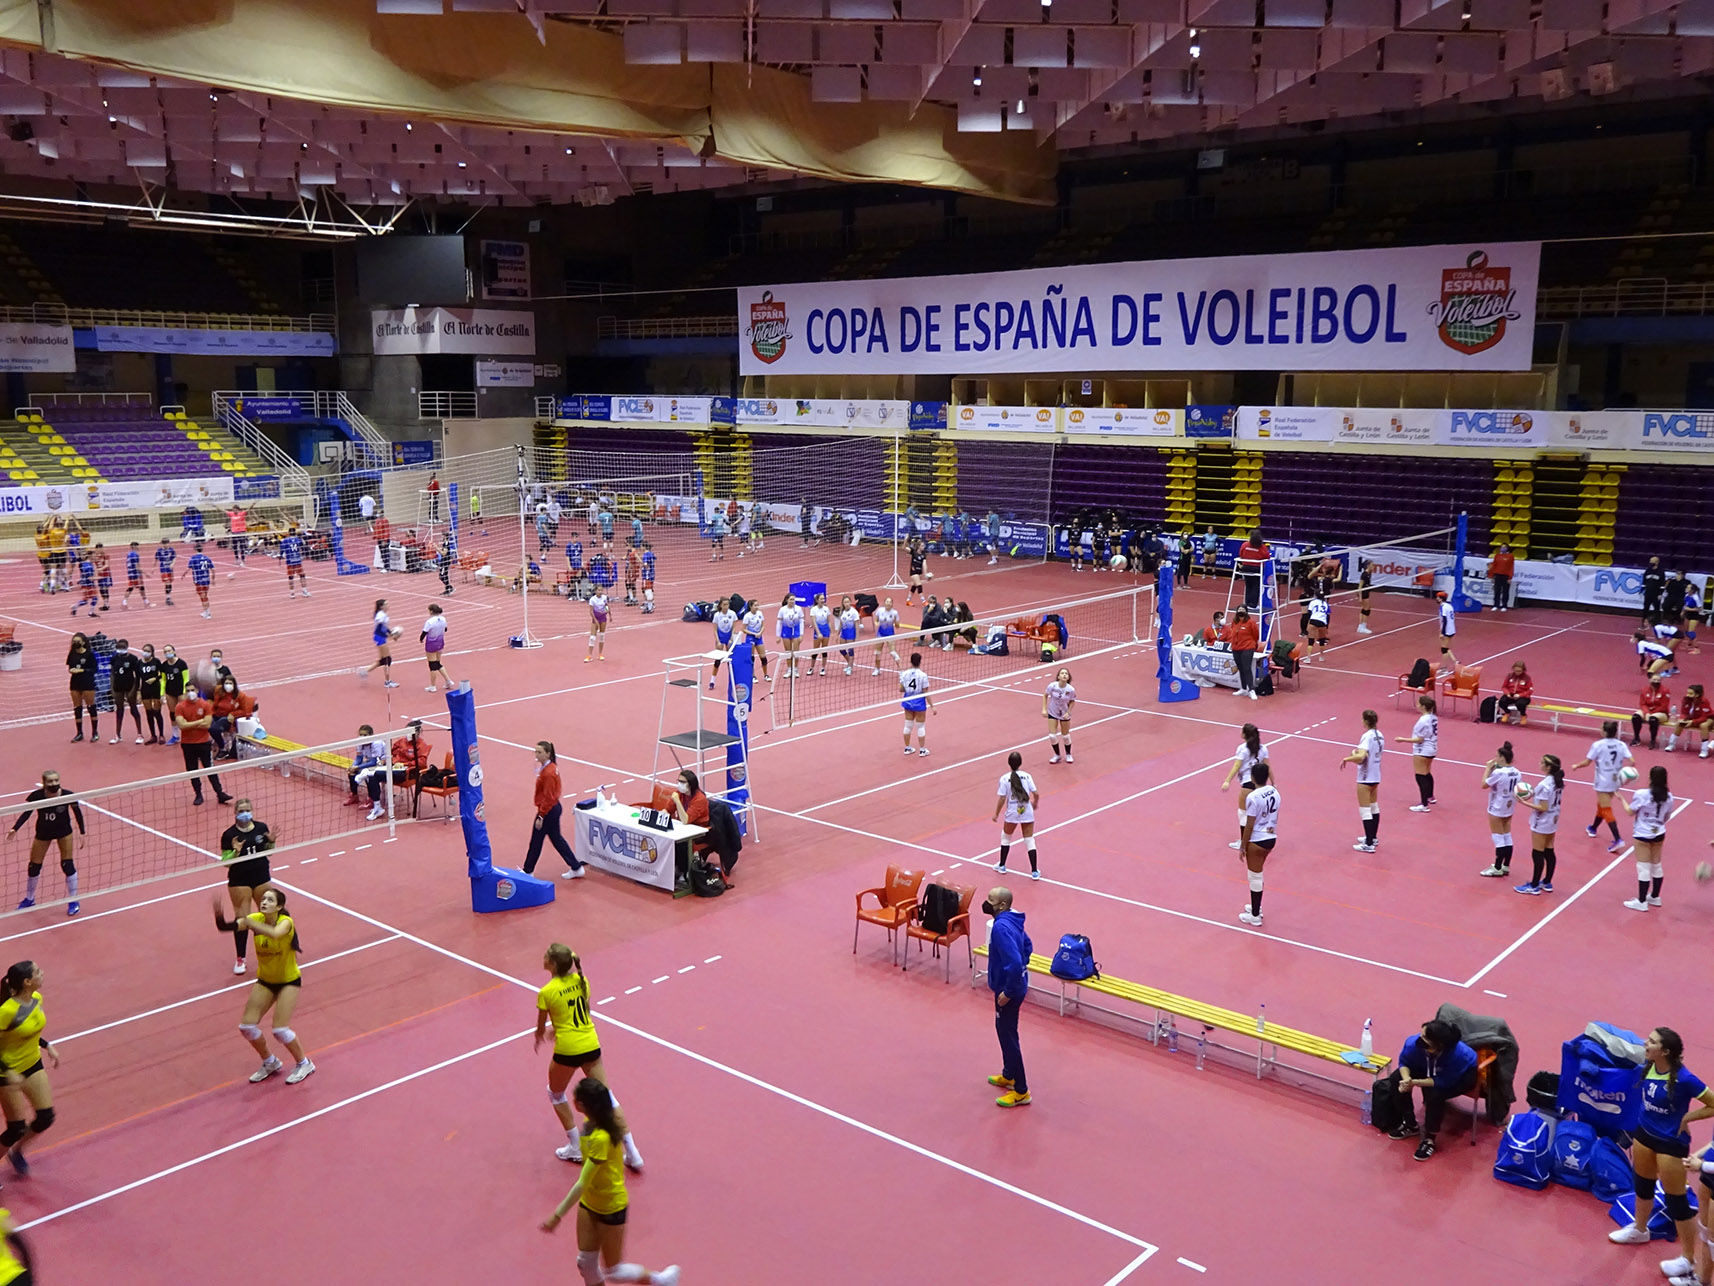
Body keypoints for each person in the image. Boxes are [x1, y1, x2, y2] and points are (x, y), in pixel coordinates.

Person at [539, 1078, 676, 1285]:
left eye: (576, 1098)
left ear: (582, 1105)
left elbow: (582, 1182)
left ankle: (661, 1281)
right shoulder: (590, 1123)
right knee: (586, 1263)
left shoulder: (601, 1138)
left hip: (611, 1205)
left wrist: (557, 1216)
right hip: (590, 1202)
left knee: (614, 1272)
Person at [1607, 1027, 1714, 1279]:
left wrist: (1687, 1117)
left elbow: (1713, 1104)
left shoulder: (1685, 1079)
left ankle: (1688, 1259)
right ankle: (1640, 1229)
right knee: (1642, 1186)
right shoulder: (1649, 1067)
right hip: (1644, 1135)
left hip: (1670, 1143)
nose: (1646, 1043)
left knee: (1676, 1201)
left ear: (1665, 1051)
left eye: (1652, 1041)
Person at [534, 944, 645, 1165]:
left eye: (546, 955)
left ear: (553, 964)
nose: (543, 957)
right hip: (591, 1043)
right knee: (608, 1097)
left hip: (568, 1050)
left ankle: (575, 1146)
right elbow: (583, 1011)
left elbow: (540, 1027)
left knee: (555, 1093)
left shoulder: (546, 992)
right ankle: (633, 1153)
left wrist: (542, 1035)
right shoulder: (582, 981)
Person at [212, 889, 314, 1084]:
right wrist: (219, 918)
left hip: (288, 981)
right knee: (247, 1027)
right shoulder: (255, 918)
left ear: (279, 906)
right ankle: (270, 1062)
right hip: (265, 981)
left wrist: (251, 923)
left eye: (270, 900)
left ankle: (304, 1063)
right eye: (264, 899)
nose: (264, 902)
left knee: (280, 1030)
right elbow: (229, 926)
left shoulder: (285, 922)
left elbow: (275, 934)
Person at [1385, 1018, 1480, 1161]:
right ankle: (1410, 1124)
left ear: (1438, 1045)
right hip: (1427, 1065)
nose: (1419, 1039)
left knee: (1435, 1093)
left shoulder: (1459, 1056)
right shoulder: (1413, 1044)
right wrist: (1406, 1080)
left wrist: (1415, 1082)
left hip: (1461, 1077)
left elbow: (1443, 1081)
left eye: (1425, 1038)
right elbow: (1405, 1062)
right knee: (1395, 1079)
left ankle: (1429, 1138)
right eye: (1421, 1034)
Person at [0, 960, 60, 1178]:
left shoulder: (37, 999)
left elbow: (29, 1029)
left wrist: (46, 1045)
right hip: (7, 1074)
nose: (42, 973)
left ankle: (16, 1152)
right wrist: (8, 1070)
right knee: (15, 1127)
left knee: (45, 1117)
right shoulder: (6, 1011)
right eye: (37, 972)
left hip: (32, 1064)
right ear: (27, 981)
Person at [6, 771, 84, 916]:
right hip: (43, 833)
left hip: (64, 832)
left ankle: (73, 900)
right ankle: (30, 899)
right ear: (44, 783)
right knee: (33, 866)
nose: (54, 784)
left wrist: (82, 832)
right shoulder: (37, 796)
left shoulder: (68, 795)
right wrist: (15, 828)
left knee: (67, 865)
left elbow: (77, 813)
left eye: (56, 780)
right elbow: (27, 812)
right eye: (50, 781)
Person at [984, 887, 1032, 1108]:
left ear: (1002, 905)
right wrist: (1022, 968)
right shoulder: (1013, 921)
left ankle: (1021, 1091)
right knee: (1003, 1030)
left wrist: (1009, 991)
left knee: (1008, 1036)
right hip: (1015, 984)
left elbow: (1014, 962)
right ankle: (1009, 1074)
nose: (987, 903)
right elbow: (1027, 945)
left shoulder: (1000, 928)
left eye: (991, 900)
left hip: (1008, 990)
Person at [220, 797, 276, 976]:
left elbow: (269, 852)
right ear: (235, 813)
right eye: (241, 811)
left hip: (261, 876)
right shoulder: (229, 835)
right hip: (240, 880)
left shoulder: (261, 828)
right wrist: (236, 852)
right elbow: (226, 863)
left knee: (267, 916)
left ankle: (268, 952)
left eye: (247, 810)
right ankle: (241, 959)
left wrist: (271, 842)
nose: (245, 814)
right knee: (243, 919)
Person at [1569, 719, 1633, 855]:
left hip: (1603, 781)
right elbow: (1632, 761)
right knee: (1602, 805)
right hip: (1616, 780)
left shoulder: (1598, 745)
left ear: (1604, 732)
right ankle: (1593, 828)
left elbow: (1587, 762)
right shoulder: (1621, 744)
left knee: (1606, 809)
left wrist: (1576, 766)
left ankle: (1618, 839)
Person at [1622, 765, 1680, 912]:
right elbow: (1667, 816)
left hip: (1642, 833)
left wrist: (1621, 798)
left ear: (1650, 778)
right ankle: (1655, 896)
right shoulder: (1669, 797)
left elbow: (1630, 811)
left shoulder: (1641, 794)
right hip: (1659, 833)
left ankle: (1641, 901)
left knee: (1643, 867)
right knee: (1656, 865)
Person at [523, 742, 585, 881]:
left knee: (536, 841)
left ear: (547, 754)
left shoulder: (548, 772)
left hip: (548, 810)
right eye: (536, 751)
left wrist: (541, 815)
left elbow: (549, 797)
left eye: (539, 752)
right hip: (552, 808)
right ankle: (576, 867)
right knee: (556, 839)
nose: (536, 754)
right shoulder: (550, 768)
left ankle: (528, 871)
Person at [1237, 760, 1281, 927]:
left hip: (1257, 839)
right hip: (1271, 836)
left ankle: (1255, 915)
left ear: (1253, 777)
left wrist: (1243, 845)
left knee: (1254, 876)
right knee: (1258, 874)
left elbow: (1249, 824)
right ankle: (1256, 906)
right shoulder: (1274, 792)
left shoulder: (1253, 797)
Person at [174, 681, 232, 808]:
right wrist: (199, 722)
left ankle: (220, 793)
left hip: (204, 743)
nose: (190, 693)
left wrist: (189, 724)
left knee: (210, 768)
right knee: (192, 770)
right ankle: (198, 794)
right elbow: (181, 725)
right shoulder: (180, 706)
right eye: (187, 691)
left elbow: (207, 724)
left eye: (192, 690)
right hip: (188, 744)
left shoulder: (205, 705)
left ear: (197, 691)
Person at [1514, 754, 1565, 896]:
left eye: (1542, 762)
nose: (1539, 763)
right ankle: (1547, 881)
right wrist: (1529, 793)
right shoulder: (1557, 781)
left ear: (1548, 767)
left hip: (1542, 821)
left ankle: (1534, 885)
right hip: (1553, 819)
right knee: (1549, 850)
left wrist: (1524, 802)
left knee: (1537, 852)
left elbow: (1543, 807)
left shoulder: (1545, 785)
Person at [992, 752, 1042, 880]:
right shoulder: (1027, 776)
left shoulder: (1004, 779)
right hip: (1026, 810)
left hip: (1012, 812)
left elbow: (1002, 798)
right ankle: (1034, 871)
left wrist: (996, 813)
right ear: (1020, 763)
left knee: (1006, 837)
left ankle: (1002, 865)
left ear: (1009, 763)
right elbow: (1036, 794)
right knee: (1029, 840)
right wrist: (1035, 803)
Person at [1222, 722, 1270, 852]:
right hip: (1261, 784)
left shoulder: (1243, 749)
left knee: (1243, 813)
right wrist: (1273, 782)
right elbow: (1268, 767)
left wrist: (1227, 781)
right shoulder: (1263, 748)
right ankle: (1257, 837)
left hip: (1248, 784)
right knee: (1258, 813)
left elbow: (1237, 766)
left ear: (1244, 734)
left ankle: (1243, 842)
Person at [1478, 741, 1523, 879]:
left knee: (1498, 837)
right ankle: (1506, 865)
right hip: (1509, 805)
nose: (1495, 759)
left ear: (1502, 758)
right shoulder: (1517, 772)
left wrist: (1487, 768)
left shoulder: (1499, 772)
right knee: (1507, 835)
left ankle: (1497, 867)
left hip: (1497, 807)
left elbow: (1484, 785)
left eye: (1497, 756)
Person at [1342, 708, 1384, 853]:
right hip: (1376, 775)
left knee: (1365, 810)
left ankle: (1369, 844)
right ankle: (1372, 837)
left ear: (1365, 721)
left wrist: (1348, 758)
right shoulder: (1380, 735)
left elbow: (1361, 757)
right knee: (1374, 807)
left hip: (1365, 777)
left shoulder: (1367, 736)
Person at [1398, 694, 1439, 812]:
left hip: (1422, 750)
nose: (1417, 705)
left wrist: (1403, 739)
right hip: (1432, 748)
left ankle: (1424, 804)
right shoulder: (1433, 717)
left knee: (1420, 776)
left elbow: (1419, 739)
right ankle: (1430, 796)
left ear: (1423, 706)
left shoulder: (1423, 720)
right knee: (1427, 773)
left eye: (1418, 704)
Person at [106, 639, 143, 745]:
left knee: (133, 709)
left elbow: (137, 676)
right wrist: (112, 688)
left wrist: (135, 689)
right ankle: (118, 735)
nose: (120, 650)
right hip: (118, 686)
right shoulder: (114, 658)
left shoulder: (133, 659)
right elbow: (112, 674)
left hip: (129, 686)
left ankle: (139, 734)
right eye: (119, 648)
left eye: (122, 648)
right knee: (119, 710)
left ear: (127, 647)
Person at [900, 651, 934, 755]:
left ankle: (907, 748)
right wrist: (932, 706)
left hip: (908, 700)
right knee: (920, 726)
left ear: (910, 661)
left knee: (908, 725)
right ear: (920, 662)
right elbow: (925, 692)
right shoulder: (923, 675)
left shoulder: (904, 674)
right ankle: (922, 750)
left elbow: (901, 689)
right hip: (919, 702)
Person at [65, 632, 97, 743]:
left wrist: (82, 670)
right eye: (74, 641)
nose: (75, 643)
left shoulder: (89, 654)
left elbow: (94, 669)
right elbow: (70, 667)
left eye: (78, 641)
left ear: (83, 642)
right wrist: (72, 670)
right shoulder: (72, 653)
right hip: (75, 683)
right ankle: (79, 733)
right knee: (77, 708)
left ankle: (95, 732)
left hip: (87, 682)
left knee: (91, 706)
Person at [1666, 683, 1713, 756]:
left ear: (1697, 695)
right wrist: (1682, 719)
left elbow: (1704, 717)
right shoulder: (1685, 700)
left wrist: (1692, 722)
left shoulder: (1704, 702)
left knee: (1704, 726)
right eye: (1687, 693)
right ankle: (1671, 744)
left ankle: (1704, 750)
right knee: (1680, 724)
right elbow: (1684, 712)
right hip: (1692, 717)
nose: (1687, 695)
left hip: (1708, 718)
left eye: (1690, 693)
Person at [346, 725, 387, 808]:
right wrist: (353, 767)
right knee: (351, 773)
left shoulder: (376, 743)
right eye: (361, 735)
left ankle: (371, 799)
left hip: (382, 763)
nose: (362, 737)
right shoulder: (360, 742)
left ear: (371, 735)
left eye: (365, 735)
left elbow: (374, 762)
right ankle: (354, 795)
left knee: (368, 775)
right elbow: (359, 758)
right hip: (371, 762)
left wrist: (358, 767)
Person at [1043, 667, 1076, 764]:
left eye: (1066, 673)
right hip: (1053, 712)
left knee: (1065, 736)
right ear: (1058, 676)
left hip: (1064, 713)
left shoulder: (1070, 689)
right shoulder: (1052, 686)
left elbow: (1072, 701)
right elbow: (1045, 695)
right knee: (1052, 736)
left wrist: (1068, 712)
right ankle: (1057, 755)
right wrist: (1044, 709)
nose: (1064, 675)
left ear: (1068, 677)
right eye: (1062, 673)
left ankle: (1068, 754)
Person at [366, 598, 401, 688]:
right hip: (380, 638)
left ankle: (364, 671)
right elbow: (381, 629)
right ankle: (387, 682)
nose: (388, 606)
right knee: (387, 659)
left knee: (382, 660)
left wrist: (390, 633)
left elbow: (384, 627)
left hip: (380, 637)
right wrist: (390, 636)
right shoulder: (381, 615)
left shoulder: (382, 614)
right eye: (386, 604)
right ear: (381, 606)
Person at [1227, 607, 1259, 701]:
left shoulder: (1251, 623)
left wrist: (1252, 644)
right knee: (1241, 668)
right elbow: (1233, 634)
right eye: (1239, 610)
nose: (1241, 612)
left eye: (1242, 610)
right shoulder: (1234, 622)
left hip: (1247, 648)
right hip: (1236, 648)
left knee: (1247, 668)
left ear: (1246, 612)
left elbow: (1256, 635)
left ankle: (1251, 690)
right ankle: (1243, 688)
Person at [137, 643, 166, 744]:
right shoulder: (139, 663)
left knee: (157, 712)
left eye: (148, 651)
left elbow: (162, 674)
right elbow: (137, 678)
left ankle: (161, 735)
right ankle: (153, 735)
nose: (146, 653)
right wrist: (138, 692)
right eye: (144, 650)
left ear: (152, 652)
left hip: (155, 688)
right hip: (145, 689)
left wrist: (155, 678)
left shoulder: (156, 661)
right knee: (148, 713)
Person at [1634, 675, 1673, 748]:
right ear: (1650, 680)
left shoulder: (1665, 691)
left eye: (1658, 680)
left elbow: (1664, 706)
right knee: (1636, 717)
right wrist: (1646, 712)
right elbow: (1642, 704)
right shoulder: (1644, 690)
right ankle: (1636, 738)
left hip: (1661, 712)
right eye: (1654, 680)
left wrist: (1651, 713)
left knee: (1653, 719)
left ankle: (1652, 740)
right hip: (1648, 711)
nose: (1656, 682)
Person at [421, 604, 453, 693]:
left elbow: (424, 632)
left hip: (431, 643)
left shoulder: (429, 622)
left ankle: (433, 686)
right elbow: (445, 629)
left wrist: (421, 639)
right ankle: (448, 681)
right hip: (440, 642)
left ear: (431, 611)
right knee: (437, 663)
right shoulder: (443, 619)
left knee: (432, 665)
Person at [161, 644, 188, 745]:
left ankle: (187, 733)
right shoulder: (164, 665)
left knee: (185, 712)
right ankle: (175, 735)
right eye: (165, 652)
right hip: (170, 692)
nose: (167, 653)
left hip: (180, 691)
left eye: (169, 651)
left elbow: (186, 678)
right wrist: (162, 694)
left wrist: (185, 691)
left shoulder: (181, 664)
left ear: (174, 651)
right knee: (172, 713)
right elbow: (163, 680)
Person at [1235, 529, 1269, 610]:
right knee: (1255, 586)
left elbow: (1241, 554)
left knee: (1248, 585)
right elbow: (1267, 556)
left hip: (1245, 568)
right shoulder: (1262, 547)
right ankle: (1253, 604)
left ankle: (1247, 603)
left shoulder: (1245, 545)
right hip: (1257, 569)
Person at [776, 591, 804, 680]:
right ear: (787, 600)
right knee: (788, 652)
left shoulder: (798, 609)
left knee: (796, 651)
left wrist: (801, 634)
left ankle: (795, 669)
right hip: (786, 632)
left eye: (793, 600)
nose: (792, 601)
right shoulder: (782, 610)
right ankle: (789, 669)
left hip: (796, 632)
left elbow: (801, 622)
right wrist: (778, 635)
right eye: (791, 599)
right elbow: (779, 623)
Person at [870, 596, 900, 676]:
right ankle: (877, 669)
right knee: (877, 653)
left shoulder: (895, 613)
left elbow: (897, 626)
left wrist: (895, 622)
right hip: (880, 634)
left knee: (893, 652)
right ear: (884, 603)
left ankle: (900, 670)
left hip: (890, 634)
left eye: (890, 602)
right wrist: (876, 624)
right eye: (887, 602)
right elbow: (876, 620)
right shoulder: (880, 610)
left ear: (892, 604)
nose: (888, 604)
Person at [1496, 661, 1533, 726]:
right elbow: (1504, 687)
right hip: (1511, 695)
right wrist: (1507, 693)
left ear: (1523, 670)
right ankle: (1507, 713)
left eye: (1519, 671)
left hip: (1523, 696)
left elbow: (1530, 690)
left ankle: (1523, 715)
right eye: (1516, 671)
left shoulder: (1527, 678)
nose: (1517, 672)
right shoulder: (1509, 676)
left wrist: (1520, 695)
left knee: (1520, 704)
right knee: (1502, 701)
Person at [281, 526, 310, 598]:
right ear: (295, 532)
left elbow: (282, 551)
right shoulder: (298, 540)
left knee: (290, 577)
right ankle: (304, 591)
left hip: (290, 561)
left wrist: (281, 555)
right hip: (297, 560)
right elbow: (304, 544)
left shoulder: (285, 541)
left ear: (288, 533)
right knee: (302, 576)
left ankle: (292, 593)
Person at [808, 592, 832, 676]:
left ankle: (823, 668)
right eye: (821, 599)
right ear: (817, 600)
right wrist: (818, 633)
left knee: (824, 650)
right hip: (818, 630)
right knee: (815, 650)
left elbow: (829, 621)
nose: (823, 600)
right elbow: (814, 622)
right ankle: (811, 667)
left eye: (823, 599)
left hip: (826, 630)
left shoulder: (826, 609)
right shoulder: (813, 609)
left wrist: (832, 632)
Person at [1434, 590, 1458, 673]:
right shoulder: (1449, 606)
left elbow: (1444, 620)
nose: (1436, 599)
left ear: (1441, 599)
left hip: (1447, 630)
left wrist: (1442, 632)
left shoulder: (1443, 607)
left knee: (1444, 649)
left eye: (1438, 597)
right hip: (1452, 629)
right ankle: (1455, 661)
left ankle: (1444, 668)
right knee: (1446, 648)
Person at [121, 539, 150, 609]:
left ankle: (124, 602)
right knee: (140, 587)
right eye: (137, 546)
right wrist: (145, 573)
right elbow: (137, 567)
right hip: (135, 574)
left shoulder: (129, 554)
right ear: (134, 546)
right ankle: (146, 602)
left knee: (132, 587)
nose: (138, 547)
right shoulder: (135, 555)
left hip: (130, 573)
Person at [837, 595, 860, 677]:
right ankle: (850, 663)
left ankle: (849, 667)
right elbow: (840, 623)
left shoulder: (854, 612)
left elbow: (857, 625)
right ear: (843, 603)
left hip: (851, 634)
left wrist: (857, 637)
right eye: (845, 602)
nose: (846, 604)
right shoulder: (842, 612)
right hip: (843, 633)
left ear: (850, 602)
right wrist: (837, 634)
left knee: (850, 651)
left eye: (848, 602)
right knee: (841, 649)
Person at [585, 588, 609, 663]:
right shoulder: (592, 599)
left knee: (602, 636)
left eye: (601, 590)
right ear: (595, 591)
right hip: (596, 618)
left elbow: (607, 606)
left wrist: (608, 612)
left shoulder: (604, 597)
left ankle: (600, 654)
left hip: (603, 618)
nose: (600, 592)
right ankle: (589, 655)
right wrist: (595, 620)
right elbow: (591, 611)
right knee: (592, 637)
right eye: (599, 590)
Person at [1489, 543, 1515, 611]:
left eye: (1504, 547)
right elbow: (1494, 565)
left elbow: (1511, 567)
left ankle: (1504, 606)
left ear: (1507, 548)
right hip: (1497, 575)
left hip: (1505, 575)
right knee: (1497, 590)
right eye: (1501, 547)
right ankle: (1496, 605)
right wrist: (1492, 576)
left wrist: (1510, 577)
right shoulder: (1497, 555)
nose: (1502, 548)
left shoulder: (1510, 556)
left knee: (1505, 591)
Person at [1642, 556, 1667, 621]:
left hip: (1656, 593)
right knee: (1646, 607)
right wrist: (1642, 590)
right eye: (1650, 561)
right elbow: (1644, 581)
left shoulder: (1661, 571)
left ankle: (1657, 621)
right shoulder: (1648, 570)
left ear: (1657, 562)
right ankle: (1644, 620)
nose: (1650, 562)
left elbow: (1662, 584)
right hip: (1648, 592)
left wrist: (1660, 593)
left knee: (1656, 608)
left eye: (1651, 561)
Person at [154, 536, 176, 607]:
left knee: (170, 583)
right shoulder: (159, 551)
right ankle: (168, 598)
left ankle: (168, 596)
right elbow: (156, 559)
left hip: (170, 569)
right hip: (163, 569)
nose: (165, 545)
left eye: (166, 543)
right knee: (167, 582)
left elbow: (174, 558)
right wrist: (153, 568)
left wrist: (173, 564)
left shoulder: (171, 550)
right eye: (164, 543)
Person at [907, 536, 927, 607]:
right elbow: (904, 548)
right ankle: (924, 601)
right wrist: (905, 540)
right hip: (913, 572)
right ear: (918, 546)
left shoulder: (923, 554)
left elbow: (924, 564)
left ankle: (908, 600)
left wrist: (925, 574)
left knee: (914, 586)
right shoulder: (913, 552)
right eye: (922, 545)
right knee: (919, 585)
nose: (924, 547)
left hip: (919, 572)